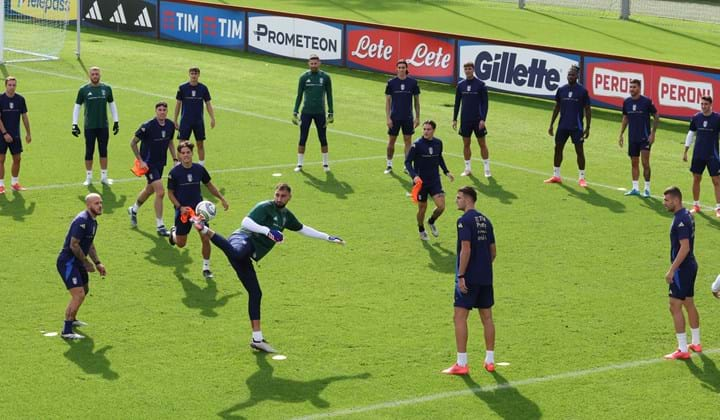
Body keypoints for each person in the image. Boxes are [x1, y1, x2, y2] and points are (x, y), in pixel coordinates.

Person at [192, 183, 345, 352]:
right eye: (277, 195)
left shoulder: (286, 216)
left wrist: (328, 237)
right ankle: (204, 228)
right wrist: (267, 231)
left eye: (283, 196)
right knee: (237, 253)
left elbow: (303, 229)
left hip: (247, 254)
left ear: (289, 198)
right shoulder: (265, 206)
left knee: (256, 293)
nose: (279, 198)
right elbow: (246, 221)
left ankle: (257, 339)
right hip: (241, 239)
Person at [443, 186, 496, 375]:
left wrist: (462, 275)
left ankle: (462, 363)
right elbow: (493, 252)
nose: (456, 201)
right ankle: (490, 361)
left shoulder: (463, 221)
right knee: (487, 317)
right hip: (486, 277)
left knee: (459, 316)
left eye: (458, 198)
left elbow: (466, 249)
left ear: (467, 199)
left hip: (469, 278)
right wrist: (482, 266)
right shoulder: (486, 221)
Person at [167, 141, 229, 279]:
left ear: (192, 153)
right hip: (183, 211)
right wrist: (180, 207)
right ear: (179, 155)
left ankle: (206, 268)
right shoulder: (174, 173)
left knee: (205, 237)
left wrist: (221, 198)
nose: (186, 155)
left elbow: (209, 185)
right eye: (183, 153)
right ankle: (173, 234)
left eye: (188, 152)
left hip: (199, 211)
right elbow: (170, 193)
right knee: (181, 244)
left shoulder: (199, 169)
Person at [56, 193, 107, 340]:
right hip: (68, 262)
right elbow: (74, 244)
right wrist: (85, 262)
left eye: (100, 202)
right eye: (96, 203)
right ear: (88, 205)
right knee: (78, 294)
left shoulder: (93, 222)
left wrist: (97, 263)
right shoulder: (82, 221)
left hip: (78, 261)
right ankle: (66, 330)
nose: (100, 205)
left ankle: (73, 319)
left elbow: (89, 243)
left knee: (84, 289)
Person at [662, 186, 701, 360]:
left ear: (676, 200)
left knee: (674, 305)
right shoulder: (687, 215)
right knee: (689, 302)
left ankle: (683, 348)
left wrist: (672, 270)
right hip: (690, 265)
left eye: (667, 200)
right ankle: (696, 342)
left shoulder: (680, 220)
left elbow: (684, 247)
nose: (665, 203)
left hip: (682, 268)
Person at [127, 102, 177, 236]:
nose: (162, 112)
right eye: (159, 110)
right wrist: (140, 161)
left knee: (150, 189)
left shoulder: (170, 125)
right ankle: (160, 226)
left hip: (161, 163)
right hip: (148, 164)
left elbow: (170, 142)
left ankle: (133, 209)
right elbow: (133, 143)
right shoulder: (147, 126)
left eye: (164, 110)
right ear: (156, 111)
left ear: (167, 112)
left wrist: (175, 159)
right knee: (160, 192)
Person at [405, 120, 454, 240]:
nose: (426, 131)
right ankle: (421, 229)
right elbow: (407, 162)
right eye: (424, 129)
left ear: (434, 130)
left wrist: (446, 171)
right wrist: (414, 176)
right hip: (421, 183)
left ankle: (431, 221)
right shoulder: (417, 145)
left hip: (435, 180)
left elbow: (439, 157)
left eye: (428, 129)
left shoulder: (438, 143)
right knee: (422, 208)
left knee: (441, 206)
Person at [72, 66, 119, 186]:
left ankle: (104, 177)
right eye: (93, 74)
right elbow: (77, 107)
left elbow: (112, 105)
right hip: (89, 126)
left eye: (97, 74)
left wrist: (116, 121)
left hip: (103, 125)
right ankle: (89, 177)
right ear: (89, 75)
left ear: (100, 75)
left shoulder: (107, 89)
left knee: (103, 151)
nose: (95, 76)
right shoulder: (83, 90)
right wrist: (74, 124)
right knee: (89, 151)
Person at [546, 65, 592, 187]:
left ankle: (582, 178)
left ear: (577, 76)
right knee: (558, 149)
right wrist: (551, 124)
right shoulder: (561, 90)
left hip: (576, 127)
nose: (570, 76)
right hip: (562, 126)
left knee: (579, 151)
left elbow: (587, 109)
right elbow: (557, 107)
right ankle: (556, 175)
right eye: (568, 74)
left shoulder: (582, 91)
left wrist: (588, 127)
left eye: (572, 75)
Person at [292, 54, 334, 173]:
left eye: (315, 63)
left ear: (319, 63)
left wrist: (331, 112)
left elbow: (329, 95)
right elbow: (299, 95)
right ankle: (299, 164)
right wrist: (295, 111)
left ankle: (325, 164)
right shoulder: (304, 77)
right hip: (306, 112)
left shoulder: (325, 77)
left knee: (322, 138)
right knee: (303, 138)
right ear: (308, 64)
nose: (314, 65)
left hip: (320, 113)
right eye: (312, 63)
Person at [618, 79, 659, 197]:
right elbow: (625, 118)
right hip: (632, 138)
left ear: (639, 88)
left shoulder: (646, 101)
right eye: (630, 87)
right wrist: (621, 134)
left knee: (645, 163)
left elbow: (656, 116)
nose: (632, 89)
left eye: (634, 87)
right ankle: (635, 188)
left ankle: (647, 189)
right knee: (634, 163)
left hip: (645, 138)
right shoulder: (626, 102)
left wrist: (653, 133)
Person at [682, 96, 720, 216]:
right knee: (696, 179)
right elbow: (691, 134)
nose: (703, 106)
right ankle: (696, 205)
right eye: (702, 104)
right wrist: (685, 151)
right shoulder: (696, 117)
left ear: (711, 105)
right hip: (698, 154)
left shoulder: (717, 118)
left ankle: (718, 207)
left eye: (706, 104)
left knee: (716, 181)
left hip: (712, 155)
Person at [453, 62, 490, 178]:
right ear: (464, 70)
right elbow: (457, 103)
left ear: (473, 70)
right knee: (466, 144)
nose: (468, 71)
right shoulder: (460, 85)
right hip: (465, 120)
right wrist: (454, 119)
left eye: (469, 69)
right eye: (466, 69)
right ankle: (467, 168)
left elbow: (485, 104)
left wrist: (483, 119)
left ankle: (487, 169)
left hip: (478, 120)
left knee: (482, 144)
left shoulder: (481, 85)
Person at [384, 59, 420, 174]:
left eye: (403, 67)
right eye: (399, 67)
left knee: (408, 141)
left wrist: (417, 117)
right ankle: (389, 165)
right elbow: (388, 102)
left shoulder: (413, 83)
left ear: (406, 69)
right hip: (394, 118)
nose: (401, 69)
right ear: (396, 69)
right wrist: (388, 118)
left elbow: (416, 101)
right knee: (391, 142)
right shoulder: (391, 83)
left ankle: (407, 166)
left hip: (408, 118)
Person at [173, 67, 215, 167]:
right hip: (185, 121)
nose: (194, 75)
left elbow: (208, 103)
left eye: (195, 73)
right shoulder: (182, 88)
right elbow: (178, 104)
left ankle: (201, 166)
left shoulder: (203, 88)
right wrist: (175, 119)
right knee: (181, 144)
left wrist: (212, 118)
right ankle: (179, 166)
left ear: (199, 75)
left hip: (198, 121)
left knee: (200, 143)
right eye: (192, 73)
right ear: (189, 74)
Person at [0, 76, 31, 193]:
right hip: (2, 135)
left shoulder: (20, 99)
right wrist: (5, 133)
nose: (12, 87)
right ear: (6, 85)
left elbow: (24, 116)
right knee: (1, 159)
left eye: (14, 85)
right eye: (10, 85)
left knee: (17, 159)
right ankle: (1, 185)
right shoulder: (0, 99)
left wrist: (28, 133)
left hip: (15, 135)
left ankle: (14, 183)